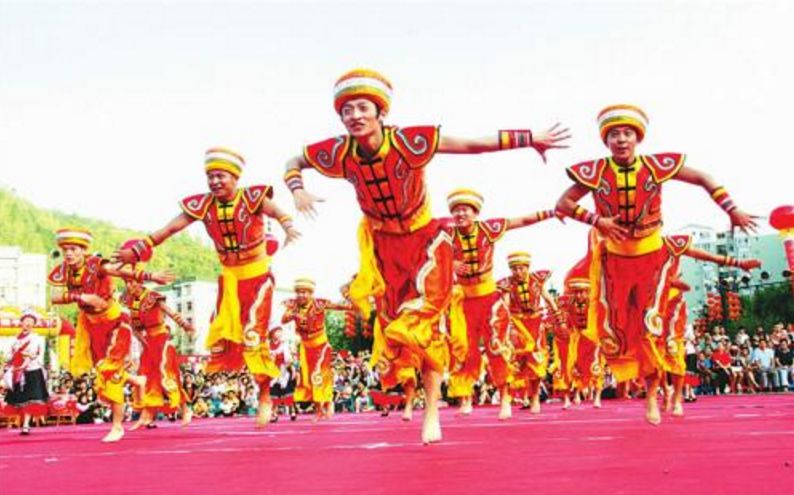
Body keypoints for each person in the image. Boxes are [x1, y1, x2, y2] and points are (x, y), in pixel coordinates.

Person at [283, 68, 569, 443]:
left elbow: (470, 145)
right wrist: (297, 190)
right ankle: (411, 396)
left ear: (380, 111)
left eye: (362, 107)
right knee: (394, 328)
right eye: (347, 109)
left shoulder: (409, 141)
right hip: (382, 245)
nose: (355, 115)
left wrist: (528, 138)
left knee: (424, 325)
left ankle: (433, 411)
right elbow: (293, 161)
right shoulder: (338, 151)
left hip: (425, 241)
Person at [555, 104, 757, 425]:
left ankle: (652, 395)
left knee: (650, 326)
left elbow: (704, 178)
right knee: (618, 329)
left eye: (627, 133)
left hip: (651, 259)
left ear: (638, 137)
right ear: (606, 140)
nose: (621, 139)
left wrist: (732, 209)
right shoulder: (594, 173)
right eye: (614, 135)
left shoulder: (656, 167)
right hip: (615, 263)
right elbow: (562, 204)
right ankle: (633, 381)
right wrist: (597, 220)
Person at [115, 148, 300, 428]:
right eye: (210, 176)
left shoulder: (252, 197)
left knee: (253, 336)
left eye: (220, 176)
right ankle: (160, 408)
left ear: (235, 177)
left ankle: (265, 395)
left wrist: (287, 226)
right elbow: (169, 229)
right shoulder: (203, 205)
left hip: (258, 278)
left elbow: (278, 212)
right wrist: (141, 249)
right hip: (229, 281)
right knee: (225, 340)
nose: (214, 181)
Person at [48, 227, 172, 442]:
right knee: (100, 371)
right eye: (66, 249)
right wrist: (82, 297)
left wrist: (151, 276)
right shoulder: (63, 271)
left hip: (115, 323)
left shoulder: (97, 265)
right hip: (91, 326)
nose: (69, 253)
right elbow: (54, 296)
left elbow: (120, 271)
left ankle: (117, 426)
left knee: (110, 371)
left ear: (83, 250)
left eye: (74, 249)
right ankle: (137, 381)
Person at [444, 188, 557, 419]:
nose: (460, 214)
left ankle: (505, 398)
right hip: (462, 301)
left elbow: (523, 220)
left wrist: (552, 212)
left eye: (465, 209)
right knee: (462, 350)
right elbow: (427, 255)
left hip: (489, 299)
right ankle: (465, 399)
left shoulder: (489, 229)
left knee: (498, 347)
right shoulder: (446, 235)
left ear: (475, 212)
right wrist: (450, 264)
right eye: (456, 210)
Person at [121, 270, 194, 429]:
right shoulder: (131, 302)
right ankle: (146, 415)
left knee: (167, 377)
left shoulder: (153, 296)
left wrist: (184, 324)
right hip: (149, 343)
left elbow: (168, 310)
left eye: (131, 282)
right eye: (126, 283)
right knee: (146, 378)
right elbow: (135, 328)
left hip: (161, 340)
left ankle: (185, 409)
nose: (129, 286)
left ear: (139, 282)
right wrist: (142, 341)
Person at [281, 278, 351, 422]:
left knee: (319, 376)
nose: (301, 295)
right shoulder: (292, 305)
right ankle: (318, 409)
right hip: (305, 348)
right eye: (299, 292)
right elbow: (283, 319)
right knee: (307, 380)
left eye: (305, 292)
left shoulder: (320, 303)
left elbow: (344, 307)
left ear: (311, 293)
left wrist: (349, 296)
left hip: (321, 346)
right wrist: (293, 314)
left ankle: (326, 403)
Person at [498, 252, 557, 414]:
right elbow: (505, 305)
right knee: (512, 360)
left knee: (537, 360)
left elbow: (549, 299)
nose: (518, 272)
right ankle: (506, 398)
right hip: (517, 324)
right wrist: (506, 325)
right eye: (515, 269)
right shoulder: (507, 284)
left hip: (536, 324)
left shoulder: (537, 280)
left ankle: (535, 396)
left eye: (521, 268)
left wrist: (558, 316)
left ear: (527, 268)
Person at [2, 310, 49, 435]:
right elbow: (8, 355)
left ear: (34, 324)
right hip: (17, 372)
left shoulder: (36, 338)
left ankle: (26, 425)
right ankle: (22, 423)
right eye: (26, 321)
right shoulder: (14, 340)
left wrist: (24, 362)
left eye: (31, 322)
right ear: (21, 323)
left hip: (31, 371)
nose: (28, 324)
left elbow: (35, 354)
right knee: (20, 399)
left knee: (30, 399)